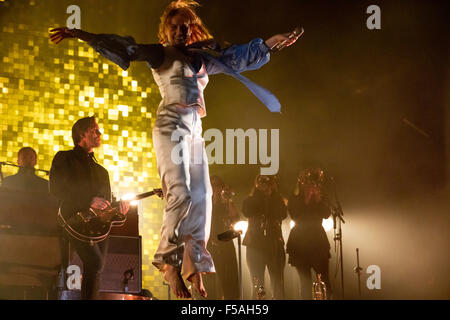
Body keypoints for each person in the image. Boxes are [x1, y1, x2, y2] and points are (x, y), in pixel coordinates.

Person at [49, 0, 300, 298]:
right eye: (175, 27)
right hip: (171, 122)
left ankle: (195, 268)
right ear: (166, 30)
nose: (181, 31)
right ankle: (169, 265)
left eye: (185, 27)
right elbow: (127, 48)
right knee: (180, 193)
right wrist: (82, 35)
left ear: (191, 29)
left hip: (194, 127)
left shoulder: (202, 58)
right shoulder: (161, 53)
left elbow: (240, 57)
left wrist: (273, 43)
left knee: (203, 196)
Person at [49, 116, 130, 300]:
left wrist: (120, 211)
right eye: (95, 130)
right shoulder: (64, 158)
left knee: (97, 267)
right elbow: (56, 188)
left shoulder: (102, 171)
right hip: (71, 220)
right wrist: (88, 200)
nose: (99, 134)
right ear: (81, 133)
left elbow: (107, 207)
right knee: (95, 262)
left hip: (98, 227)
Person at [286, 167, 332, 299]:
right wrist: (307, 198)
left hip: (318, 243)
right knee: (305, 283)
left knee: (325, 281)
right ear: (300, 184)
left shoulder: (320, 197)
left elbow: (327, 214)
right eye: (306, 182)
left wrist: (317, 198)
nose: (310, 185)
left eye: (311, 183)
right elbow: (295, 215)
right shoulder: (294, 198)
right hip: (299, 244)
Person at [242, 174, 287, 299]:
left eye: (268, 183)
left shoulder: (277, 200)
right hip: (255, 246)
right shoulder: (250, 200)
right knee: (258, 285)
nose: (265, 186)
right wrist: (260, 195)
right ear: (257, 185)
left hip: (275, 245)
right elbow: (247, 211)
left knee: (277, 283)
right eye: (262, 183)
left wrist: (271, 196)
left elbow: (282, 214)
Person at [203, 175, 240, 300]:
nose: (216, 188)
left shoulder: (225, 201)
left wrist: (228, 201)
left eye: (218, 185)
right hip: (208, 245)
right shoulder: (204, 201)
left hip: (225, 243)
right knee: (209, 281)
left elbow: (235, 218)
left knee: (230, 280)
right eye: (213, 185)